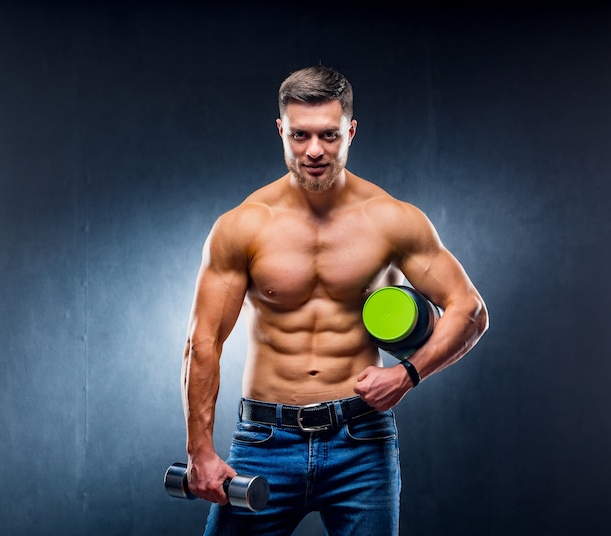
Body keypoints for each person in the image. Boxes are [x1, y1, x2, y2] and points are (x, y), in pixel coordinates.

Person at [181, 65, 489, 535]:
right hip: (264, 440)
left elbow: (469, 310)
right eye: (300, 135)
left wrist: (407, 374)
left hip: (361, 439)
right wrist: (199, 451)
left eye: (329, 135)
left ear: (351, 130)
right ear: (281, 129)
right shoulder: (242, 226)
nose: (314, 151)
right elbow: (202, 342)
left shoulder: (391, 219)